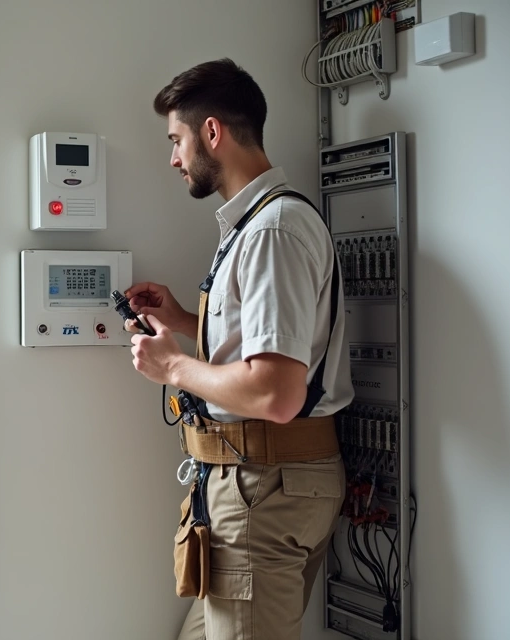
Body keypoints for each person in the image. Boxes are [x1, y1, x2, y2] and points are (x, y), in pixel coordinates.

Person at [123, 58, 354, 639]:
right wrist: (180, 318)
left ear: (212, 133)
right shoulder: (257, 226)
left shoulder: (273, 231)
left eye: (176, 140)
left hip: (261, 490)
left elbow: (276, 392)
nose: (173, 158)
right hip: (259, 485)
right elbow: (269, 340)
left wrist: (174, 364)